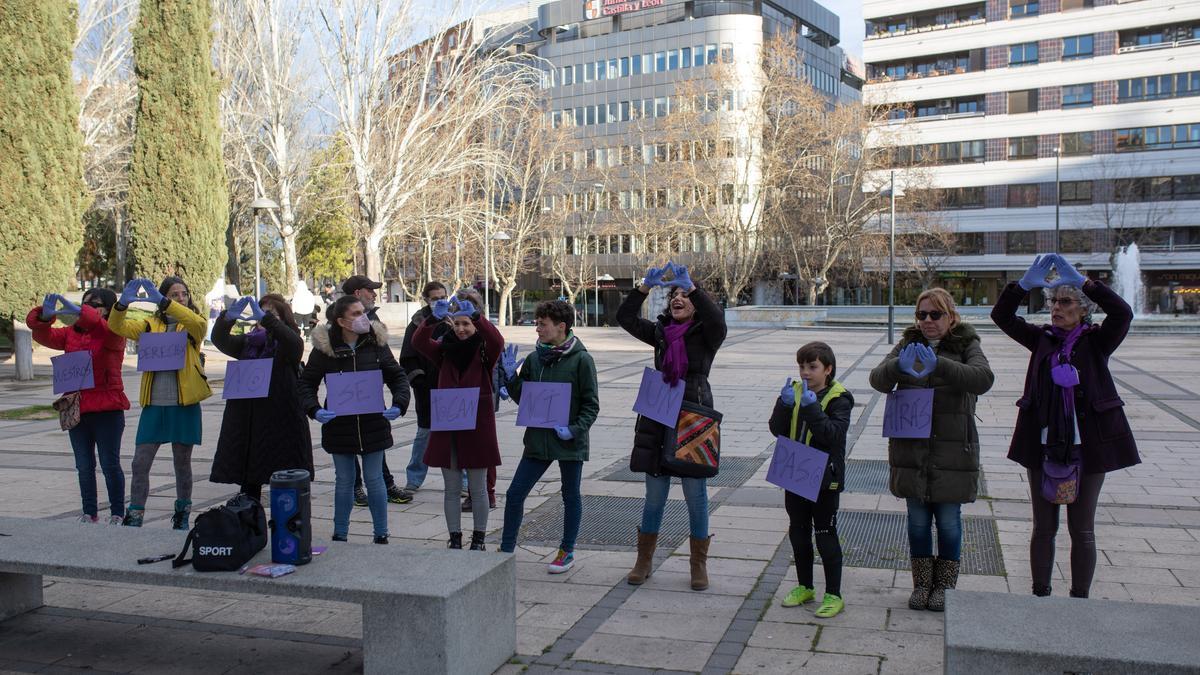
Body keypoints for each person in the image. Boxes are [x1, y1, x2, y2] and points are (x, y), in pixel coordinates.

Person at [991, 254, 1138, 599]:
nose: (1057, 307)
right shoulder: (1042, 339)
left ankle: (1079, 597)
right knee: (1044, 527)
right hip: (1043, 446)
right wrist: (1022, 286)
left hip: (1087, 447)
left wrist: (1088, 283)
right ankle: (1040, 592)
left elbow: (1123, 314)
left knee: (1082, 528)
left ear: (1083, 309)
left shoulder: (1097, 341)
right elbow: (1001, 316)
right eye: (1054, 301)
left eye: (1066, 301)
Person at [869, 288, 994, 611]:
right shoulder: (909, 343)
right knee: (918, 523)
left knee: (949, 522)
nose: (927, 321)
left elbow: (982, 379)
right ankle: (922, 584)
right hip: (913, 452)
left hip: (953, 451)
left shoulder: (967, 344)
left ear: (951, 317)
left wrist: (939, 364)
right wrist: (899, 366)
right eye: (921, 315)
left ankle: (945, 586)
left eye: (934, 314)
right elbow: (878, 379)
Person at [617, 261, 726, 591]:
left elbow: (717, 320)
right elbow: (625, 319)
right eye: (674, 294)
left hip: (693, 414)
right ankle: (644, 560)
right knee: (654, 494)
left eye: (685, 295)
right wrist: (643, 289)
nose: (678, 298)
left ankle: (698, 565)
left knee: (696, 494)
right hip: (658, 415)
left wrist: (694, 287)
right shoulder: (660, 333)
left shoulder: (707, 334)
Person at [298, 295, 409, 544]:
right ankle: (341, 533)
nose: (363, 318)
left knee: (374, 478)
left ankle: (381, 533)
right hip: (340, 425)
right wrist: (314, 409)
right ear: (341, 321)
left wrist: (399, 404)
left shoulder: (376, 344)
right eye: (356, 314)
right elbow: (306, 383)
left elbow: (397, 376)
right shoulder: (325, 349)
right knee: (344, 480)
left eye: (364, 312)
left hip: (373, 423)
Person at [499, 300, 600, 573]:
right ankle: (506, 549)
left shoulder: (582, 360)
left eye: (542, 324)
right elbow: (525, 399)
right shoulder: (535, 359)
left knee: (570, 495)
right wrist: (511, 379)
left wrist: (575, 429)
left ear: (561, 327)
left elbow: (592, 405)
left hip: (569, 441)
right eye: (537, 324)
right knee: (515, 492)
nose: (537, 330)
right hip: (537, 440)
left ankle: (567, 550)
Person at [109, 277, 212, 529]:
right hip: (154, 404)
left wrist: (164, 302)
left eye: (183, 294)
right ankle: (134, 515)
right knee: (140, 462)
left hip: (184, 404)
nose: (180, 298)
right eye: (174, 294)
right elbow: (116, 326)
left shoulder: (192, 327)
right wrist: (122, 303)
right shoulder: (149, 325)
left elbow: (198, 322)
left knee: (182, 462)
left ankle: (182, 514)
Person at [28, 289, 129, 525]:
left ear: (109, 308)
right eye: (84, 303)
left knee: (109, 464)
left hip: (108, 409)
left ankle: (117, 513)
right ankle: (89, 513)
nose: (89, 308)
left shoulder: (113, 331)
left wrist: (79, 311)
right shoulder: (71, 334)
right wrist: (44, 316)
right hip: (77, 408)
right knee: (84, 466)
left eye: (96, 304)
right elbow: (43, 336)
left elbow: (99, 325)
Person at [769, 342, 854, 618]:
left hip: (824, 478)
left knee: (825, 535)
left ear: (828, 369)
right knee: (799, 532)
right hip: (796, 471)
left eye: (813, 367)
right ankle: (805, 586)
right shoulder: (794, 391)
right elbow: (777, 429)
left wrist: (812, 409)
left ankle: (834, 594)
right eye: (802, 366)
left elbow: (833, 435)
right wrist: (783, 405)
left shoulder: (840, 398)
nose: (805, 373)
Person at [412, 294, 503, 551]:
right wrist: (431, 318)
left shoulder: (485, 350)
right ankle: (454, 537)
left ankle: (479, 538)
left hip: (477, 427)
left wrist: (477, 316)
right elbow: (418, 342)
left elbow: (497, 339)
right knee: (451, 488)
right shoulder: (443, 351)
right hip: (449, 428)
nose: (462, 329)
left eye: (467, 324)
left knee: (478, 488)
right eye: (458, 324)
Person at [209, 294, 314, 502]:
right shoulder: (247, 343)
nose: (263, 317)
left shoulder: (287, 342)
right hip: (249, 419)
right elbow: (220, 340)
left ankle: (286, 525)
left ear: (282, 319)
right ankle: (250, 521)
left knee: (283, 476)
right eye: (261, 312)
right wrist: (227, 318)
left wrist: (269, 321)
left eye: (271, 314)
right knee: (251, 476)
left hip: (280, 418)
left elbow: (294, 344)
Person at [341, 275, 409, 506]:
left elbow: (389, 363)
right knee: (348, 443)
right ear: (358, 293)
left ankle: (386, 485)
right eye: (370, 290)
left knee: (374, 442)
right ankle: (355, 488)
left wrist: (399, 399)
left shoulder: (373, 319)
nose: (374, 294)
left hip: (369, 394)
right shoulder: (336, 323)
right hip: (346, 396)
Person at [396, 281, 450, 501]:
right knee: (424, 434)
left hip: (452, 388)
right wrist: (419, 380)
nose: (440, 301)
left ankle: (463, 480)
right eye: (435, 298)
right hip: (427, 388)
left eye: (443, 296)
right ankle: (414, 478)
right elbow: (407, 357)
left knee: (457, 435)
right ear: (427, 299)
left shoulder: (453, 319)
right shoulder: (418, 322)